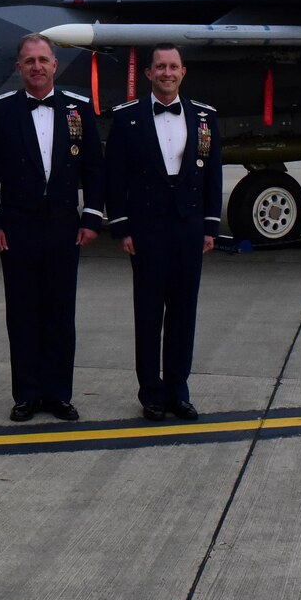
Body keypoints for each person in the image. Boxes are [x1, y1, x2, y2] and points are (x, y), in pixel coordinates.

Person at [0, 33, 106, 422]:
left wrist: (93, 217)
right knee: (23, 313)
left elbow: (95, 169)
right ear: (18, 67)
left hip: (65, 227)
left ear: (55, 65)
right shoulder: (1, 111)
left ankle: (58, 394)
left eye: (43, 60)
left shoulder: (77, 109)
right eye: (28, 60)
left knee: (61, 314)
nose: (36, 66)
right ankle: (27, 394)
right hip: (17, 228)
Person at [103, 44, 224, 420]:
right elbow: (115, 178)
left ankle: (178, 389)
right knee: (149, 313)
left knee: (184, 312)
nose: (167, 73)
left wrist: (210, 226)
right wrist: (121, 226)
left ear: (183, 72)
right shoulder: (127, 119)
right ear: (148, 73)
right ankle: (151, 392)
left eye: (173, 67)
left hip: (188, 227)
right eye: (160, 67)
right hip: (147, 229)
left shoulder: (204, 118)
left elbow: (213, 175)